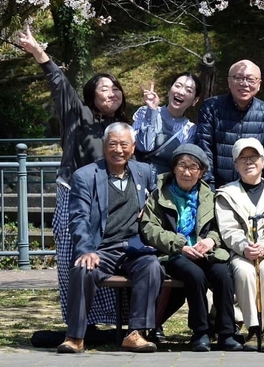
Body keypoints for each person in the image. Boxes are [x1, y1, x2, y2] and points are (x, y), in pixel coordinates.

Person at [17, 24, 126, 328]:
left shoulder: (125, 127)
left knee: (112, 256)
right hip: (75, 194)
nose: (112, 92)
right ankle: (79, 322)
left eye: (116, 88)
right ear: (91, 94)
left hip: (114, 197)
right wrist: (39, 53)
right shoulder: (78, 115)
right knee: (73, 258)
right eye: (105, 88)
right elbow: (58, 83)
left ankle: (114, 321)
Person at [57, 123, 159, 354]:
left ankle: (136, 333)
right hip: (101, 248)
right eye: (113, 143)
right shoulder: (85, 176)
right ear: (104, 146)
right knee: (83, 269)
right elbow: (78, 218)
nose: (118, 150)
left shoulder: (144, 171)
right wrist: (86, 249)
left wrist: (150, 212)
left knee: (152, 266)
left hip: (135, 248)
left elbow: (157, 204)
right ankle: (75, 337)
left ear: (133, 148)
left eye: (124, 144)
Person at [140, 143, 242, 352]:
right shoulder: (160, 194)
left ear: (201, 172)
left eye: (193, 167)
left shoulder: (210, 195)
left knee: (223, 274)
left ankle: (226, 333)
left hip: (207, 252)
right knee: (194, 275)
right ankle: (200, 333)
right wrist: (180, 245)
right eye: (182, 166)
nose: (186, 172)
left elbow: (221, 226)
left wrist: (211, 240)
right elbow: (149, 228)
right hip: (174, 254)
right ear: (174, 167)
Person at [215, 138, 264, 353]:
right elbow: (227, 229)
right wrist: (244, 246)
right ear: (235, 164)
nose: (249, 162)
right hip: (240, 251)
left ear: (263, 162)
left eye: (254, 157)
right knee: (244, 270)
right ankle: (253, 327)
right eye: (243, 158)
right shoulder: (226, 194)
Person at [195, 59, 264, 187]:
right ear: (229, 82)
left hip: (256, 189)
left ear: (259, 84)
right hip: (219, 188)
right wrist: (209, 189)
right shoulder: (211, 108)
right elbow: (204, 150)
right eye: (238, 78)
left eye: (250, 79)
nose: (244, 83)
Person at [132, 72, 201, 176]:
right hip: (137, 176)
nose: (181, 92)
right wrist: (152, 111)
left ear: (195, 100)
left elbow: (180, 163)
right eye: (178, 86)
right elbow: (144, 146)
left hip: (164, 184)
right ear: (169, 91)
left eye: (188, 90)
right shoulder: (144, 112)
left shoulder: (190, 129)